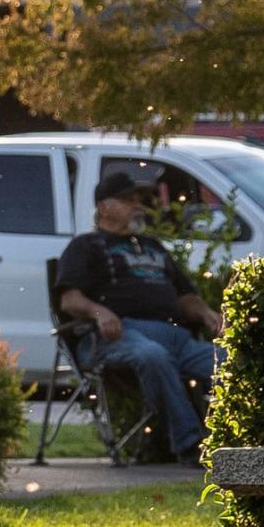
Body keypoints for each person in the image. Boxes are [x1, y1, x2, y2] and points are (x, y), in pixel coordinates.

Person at [56, 173, 223, 464]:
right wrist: (100, 312)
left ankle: (247, 442)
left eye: (139, 201)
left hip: (177, 338)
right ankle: (191, 446)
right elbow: (69, 300)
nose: (138, 207)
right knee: (153, 356)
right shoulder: (85, 246)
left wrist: (207, 313)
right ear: (104, 208)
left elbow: (186, 297)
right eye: (128, 201)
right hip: (118, 335)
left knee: (230, 360)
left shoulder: (153, 247)